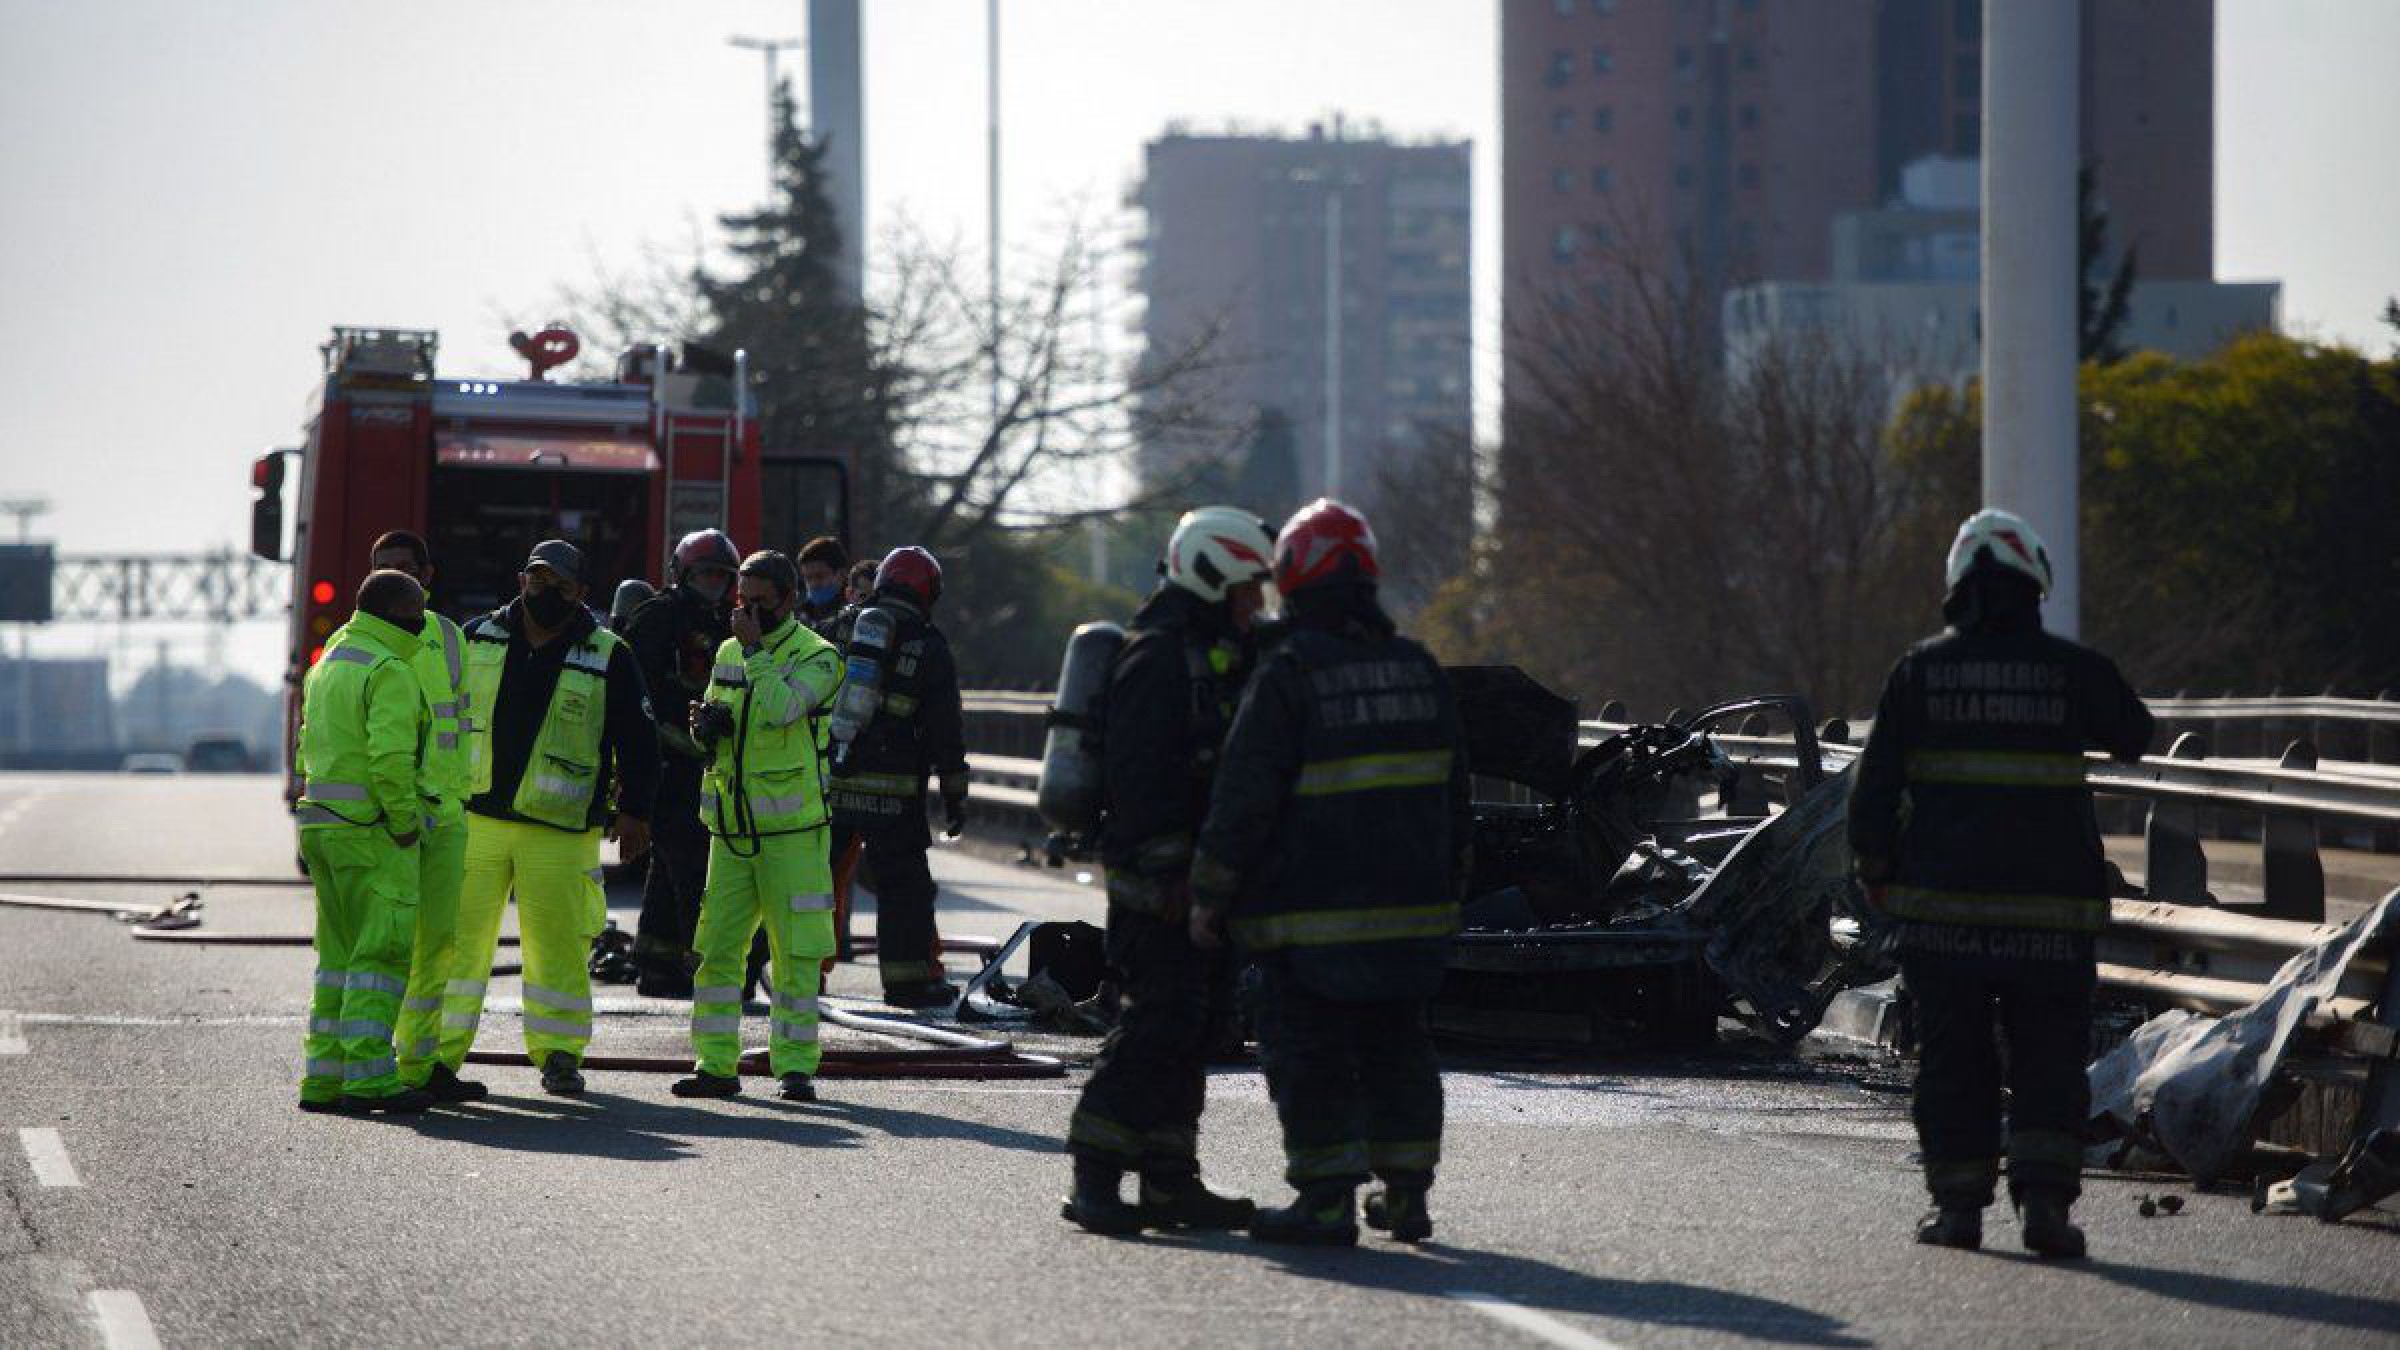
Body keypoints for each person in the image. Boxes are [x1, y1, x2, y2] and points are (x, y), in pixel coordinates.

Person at [1849, 508, 2153, 1259]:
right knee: (2049, 1056)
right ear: (2036, 583)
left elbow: (1873, 789)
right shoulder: (2071, 670)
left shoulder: (1919, 672)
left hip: (1942, 919)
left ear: (1956, 586)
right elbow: (2137, 733)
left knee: (1955, 1059)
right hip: (2051, 919)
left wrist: (1877, 873)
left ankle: (1958, 1212)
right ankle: (2045, 1208)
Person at [1188, 499, 1471, 1247]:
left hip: (1309, 921)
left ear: (1294, 582)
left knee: (1307, 1050)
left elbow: (1243, 797)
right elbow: (1458, 799)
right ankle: (1406, 1193)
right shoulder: (1419, 671)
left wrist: (1210, 894)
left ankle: (1324, 1200)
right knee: (1400, 1047)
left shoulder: (1289, 674)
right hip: (1411, 919)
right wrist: (1450, 895)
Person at [1063, 506, 1277, 1236]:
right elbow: (1142, 784)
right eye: (1250, 589)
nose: (1258, 604)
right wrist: (1171, 881)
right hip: (1157, 891)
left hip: (1201, 885)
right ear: (1214, 574)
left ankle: (1170, 1179)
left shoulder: (1217, 651)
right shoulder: (1156, 657)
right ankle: (1093, 1175)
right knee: (1155, 1028)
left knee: (1195, 1031)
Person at [438, 540, 662, 1096]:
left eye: (560, 586)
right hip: (477, 819)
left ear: (581, 593)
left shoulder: (610, 653)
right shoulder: (475, 637)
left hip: (561, 831)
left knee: (558, 947)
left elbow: (639, 740)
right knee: (455, 942)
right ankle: (435, 1056)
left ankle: (559, 1054)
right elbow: (439, 720)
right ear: (520, 580)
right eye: (538, 581)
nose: (546, 594)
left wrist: (636, 814)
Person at [670, 551, 846, 1101]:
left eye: (758, 603)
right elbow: (726, 726)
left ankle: (795, 1068)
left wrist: (754, 651)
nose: (745, 611)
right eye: (740, 601)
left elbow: (781, 709)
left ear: (789, 600)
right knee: (717, 950)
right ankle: (715, 1066)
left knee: (794, 953)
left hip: (793, 833)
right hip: (731, 830)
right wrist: (705, 726)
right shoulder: (727, 651)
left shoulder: (819, 657)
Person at [295, 569, 435, 1115]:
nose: (423, 620)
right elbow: (390, 759)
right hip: (371, 830)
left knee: (337, 957)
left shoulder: (329, 663)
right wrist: (404, 821)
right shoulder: (389, 669)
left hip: (323, 827)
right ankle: (370, 1078)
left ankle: (323, 1077)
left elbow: (306, 745)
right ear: (400, 614)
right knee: (381, 954)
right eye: (418, 610)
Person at [362, 531, 485, 1104]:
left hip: (444, 815)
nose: (398, 578)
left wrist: (460, 798)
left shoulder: (451, 640)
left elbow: (460, 728)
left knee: (438, 945)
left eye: (406, 568)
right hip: (388, 819)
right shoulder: (357, 645)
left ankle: (421, 1063)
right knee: (383, 945)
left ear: (428, 575)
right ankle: (369, 1063)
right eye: (385, 569)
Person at [826, 546, 969, 1007]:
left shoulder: (843, 627)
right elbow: (946, 727)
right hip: (896, 795)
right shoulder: (929, 645)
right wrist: (954, 794)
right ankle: (907, 983)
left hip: (834, 783)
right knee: (903, 890)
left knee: (805, 883)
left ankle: (782, 974)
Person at [624, 529, 741, 998]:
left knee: (668, 867)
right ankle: (701, 969)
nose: (714, 581)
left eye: (721, 574)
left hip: (703, 768)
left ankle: (656, 962)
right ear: (683, 572)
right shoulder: (659, 618)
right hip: (669, 768)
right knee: (693, 868)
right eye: (706, 572)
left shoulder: (725, 623)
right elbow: (639, 693)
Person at [797, 535, 849, 630]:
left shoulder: (855, 616)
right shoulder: (799, 617)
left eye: (820, 576)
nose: (813, 584)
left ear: (842, 574)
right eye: (808, 578)